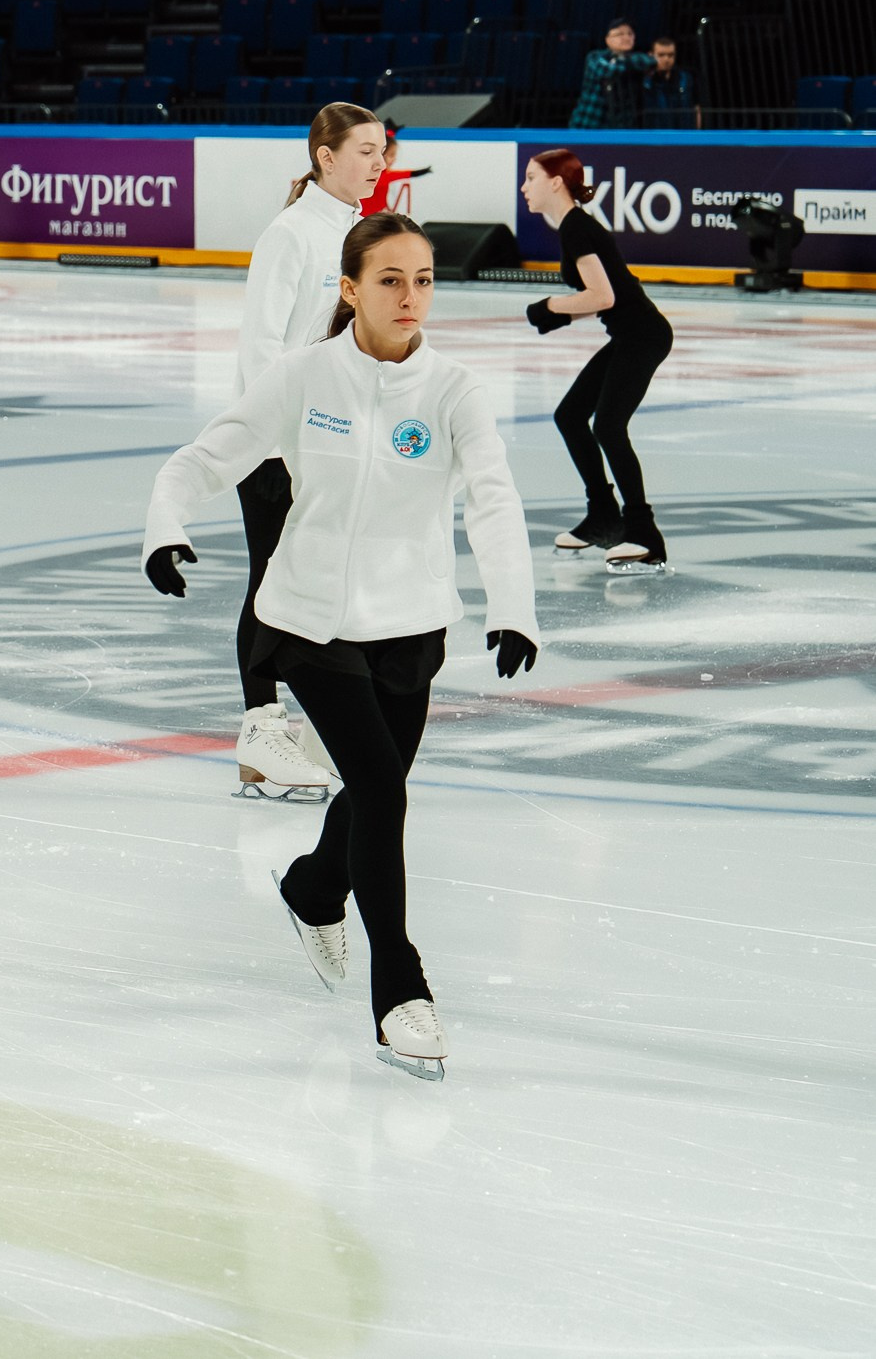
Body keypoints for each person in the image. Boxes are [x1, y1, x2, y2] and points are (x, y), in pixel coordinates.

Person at [142, 213, 540, 1081]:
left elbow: (494, 497)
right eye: (391, 279)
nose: (411, 296)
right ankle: (400, 987)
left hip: (411, 623)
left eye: (425, 279)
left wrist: (513, 605)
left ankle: (315, 887)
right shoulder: (303, 375)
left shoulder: (454, 389)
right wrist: (163, 524)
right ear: (351, 289)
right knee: (381, 790)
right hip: (309, 619)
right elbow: (206, 458)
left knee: (374, 789)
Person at [229, 103, 388, 802]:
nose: (379, 164)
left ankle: (295, 729)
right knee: (272, 577)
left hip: (329, 437)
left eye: (382, 151)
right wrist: (289, 437)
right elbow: (262, 347)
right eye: (366, 151)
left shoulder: (356, 234)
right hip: (274, 443)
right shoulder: (290, 234)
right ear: (326, 156)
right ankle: (260, 726)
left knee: (322, 577)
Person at [520, 148, 676, 572]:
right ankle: (604, 516)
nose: (524, 187)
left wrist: (551, 305)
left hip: (642, 335)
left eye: (531, 177)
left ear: (556, 182)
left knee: (607, 426)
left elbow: (603, 296)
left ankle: (644, 534)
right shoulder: (574, 226)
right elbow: (608, 295)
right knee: (570, 415)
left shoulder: (576, 228)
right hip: (630, 332)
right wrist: (560, 315)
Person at [569, 17, 650, 130]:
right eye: (619, 34)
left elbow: (650, 61)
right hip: (588, 123)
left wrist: (626, 62)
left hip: (620, 127)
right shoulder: (595, 57)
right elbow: (609, 71)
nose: (626, 38)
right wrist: (627, 63)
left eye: (630, 34)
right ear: (607, 39)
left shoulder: (638, 59)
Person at [359, 121, 432, 218]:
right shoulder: (380, 176)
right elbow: (402, 175)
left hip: (375, 214)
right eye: (391, 155)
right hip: (368, 216)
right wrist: (419, 172)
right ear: (382, 155)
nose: (394, 159)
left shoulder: (379, 174)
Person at [642, 35, 696, 128]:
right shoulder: (644, 81)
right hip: (652, 137)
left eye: (671, 55)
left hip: (683, 136)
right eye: (661, 55)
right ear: (651, 55)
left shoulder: (685, 78)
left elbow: (696, 108)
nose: (666, 59)